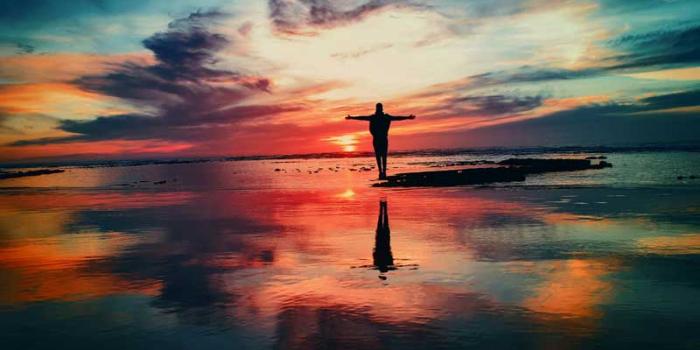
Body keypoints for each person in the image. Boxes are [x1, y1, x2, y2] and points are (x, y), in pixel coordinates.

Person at [345, 103, 415, 179]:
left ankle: (383, 171)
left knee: (383, 155)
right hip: (377, 138)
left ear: (381, 108)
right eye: (378, 108)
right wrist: (352, 117)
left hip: (382, 138)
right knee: (379, 155)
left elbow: (397, 118)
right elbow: (362, 118)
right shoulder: (375, 117)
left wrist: (408, 117)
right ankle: (381, 171)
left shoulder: (384, 117)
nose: (378, 109)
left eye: (379, 108)